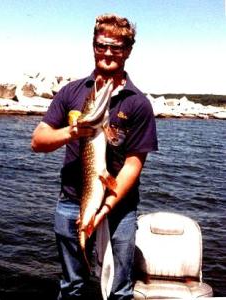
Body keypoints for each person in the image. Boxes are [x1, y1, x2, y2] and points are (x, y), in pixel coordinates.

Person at [31, 13, 158, 300]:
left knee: (118, 289)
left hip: (120, 208)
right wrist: (75, 131)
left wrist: (104, 209)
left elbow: (132, 165)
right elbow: (38, 141)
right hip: (71, 202)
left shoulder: (138, 103)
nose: (109, 53)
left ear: (128, 50)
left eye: (117, 47)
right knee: (71, 285)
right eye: (102, 45)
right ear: (93, 46)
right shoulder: (72, 92)